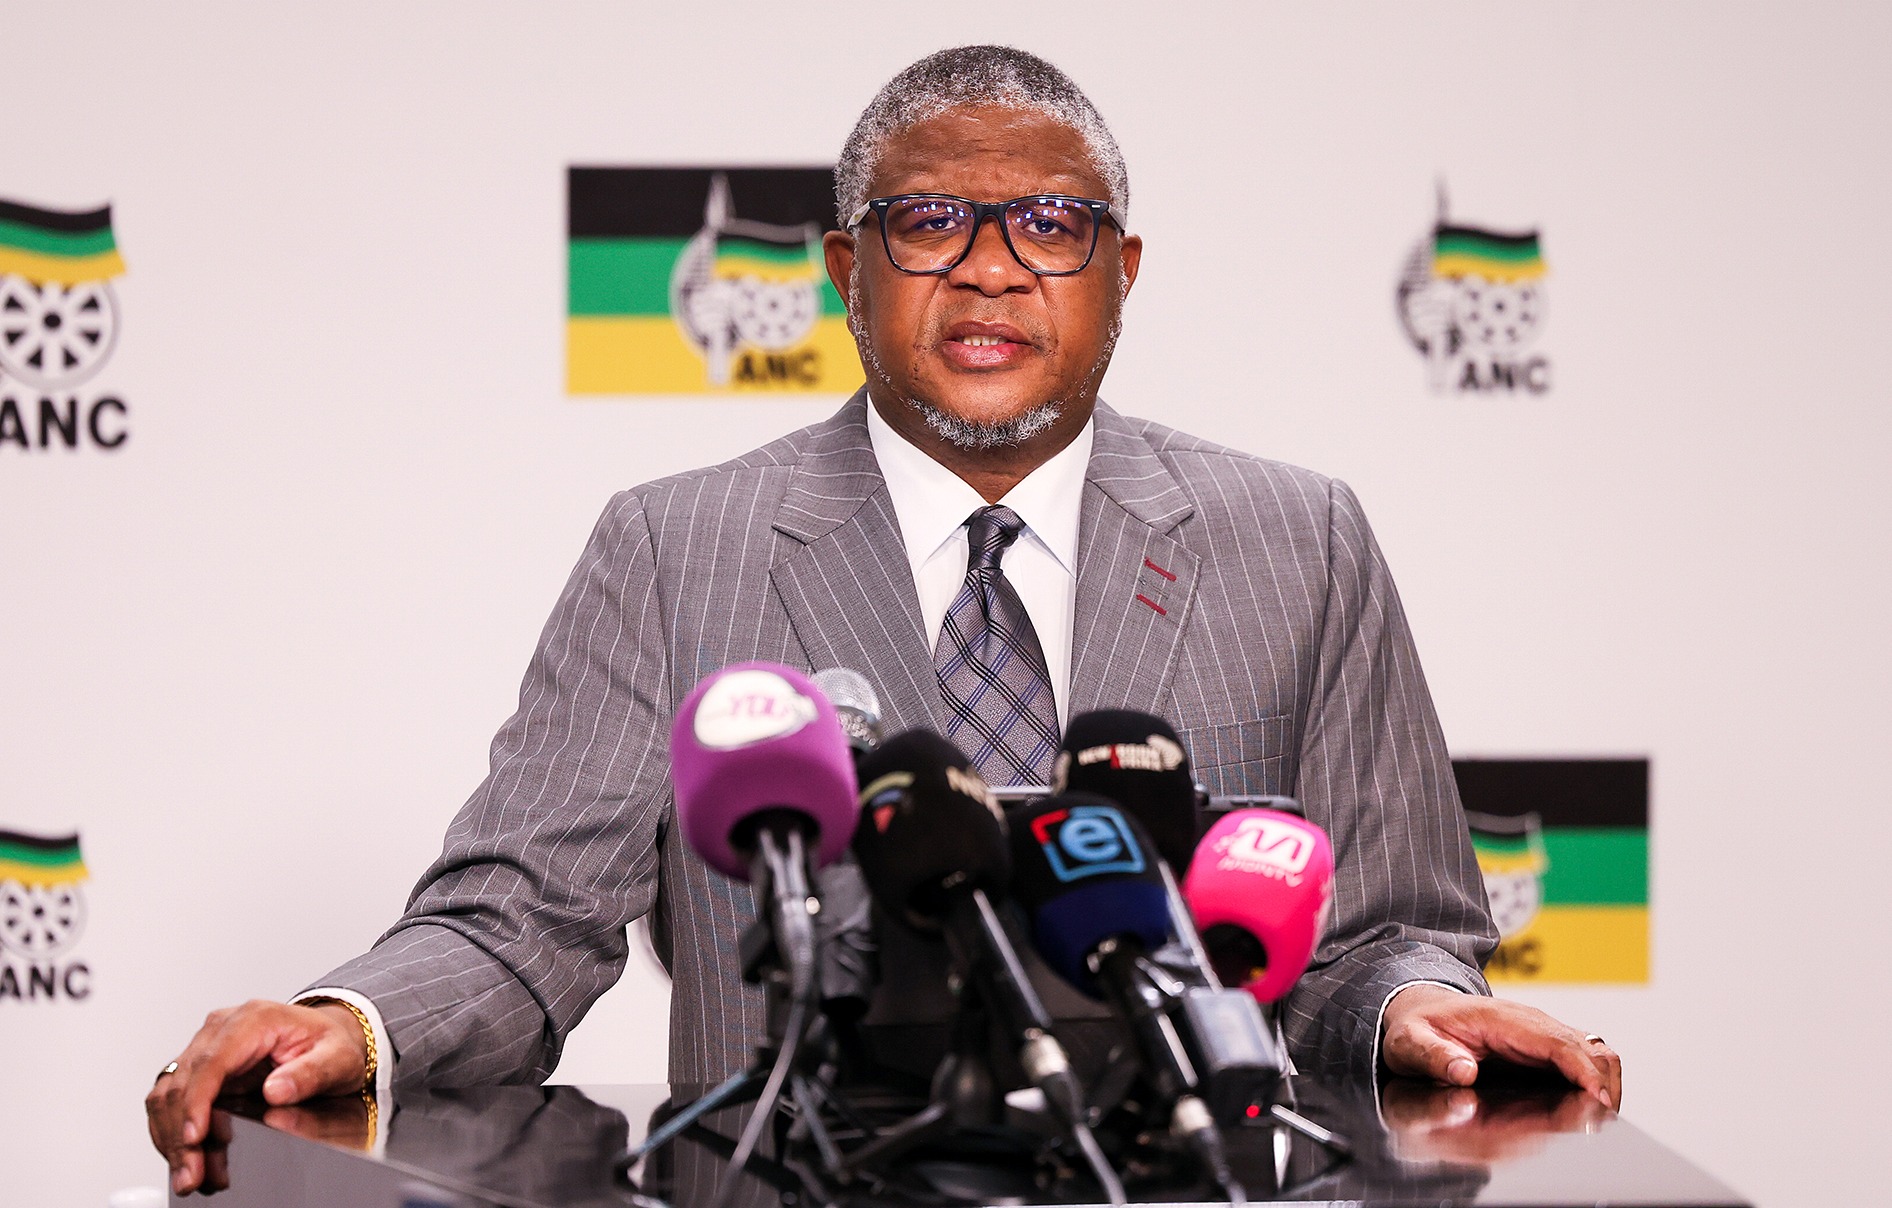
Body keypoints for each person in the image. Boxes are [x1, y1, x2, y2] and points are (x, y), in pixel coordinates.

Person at [146, 46, 1621, 1196]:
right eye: (929, 222)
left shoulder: (1298, 540)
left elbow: (1390, 933)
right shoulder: (676, 547)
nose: (991, 264)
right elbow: (525, 916)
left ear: (1122, 274)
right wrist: (359, 1023)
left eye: (1051, 223)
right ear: (847, 274)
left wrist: (1421, 1011)